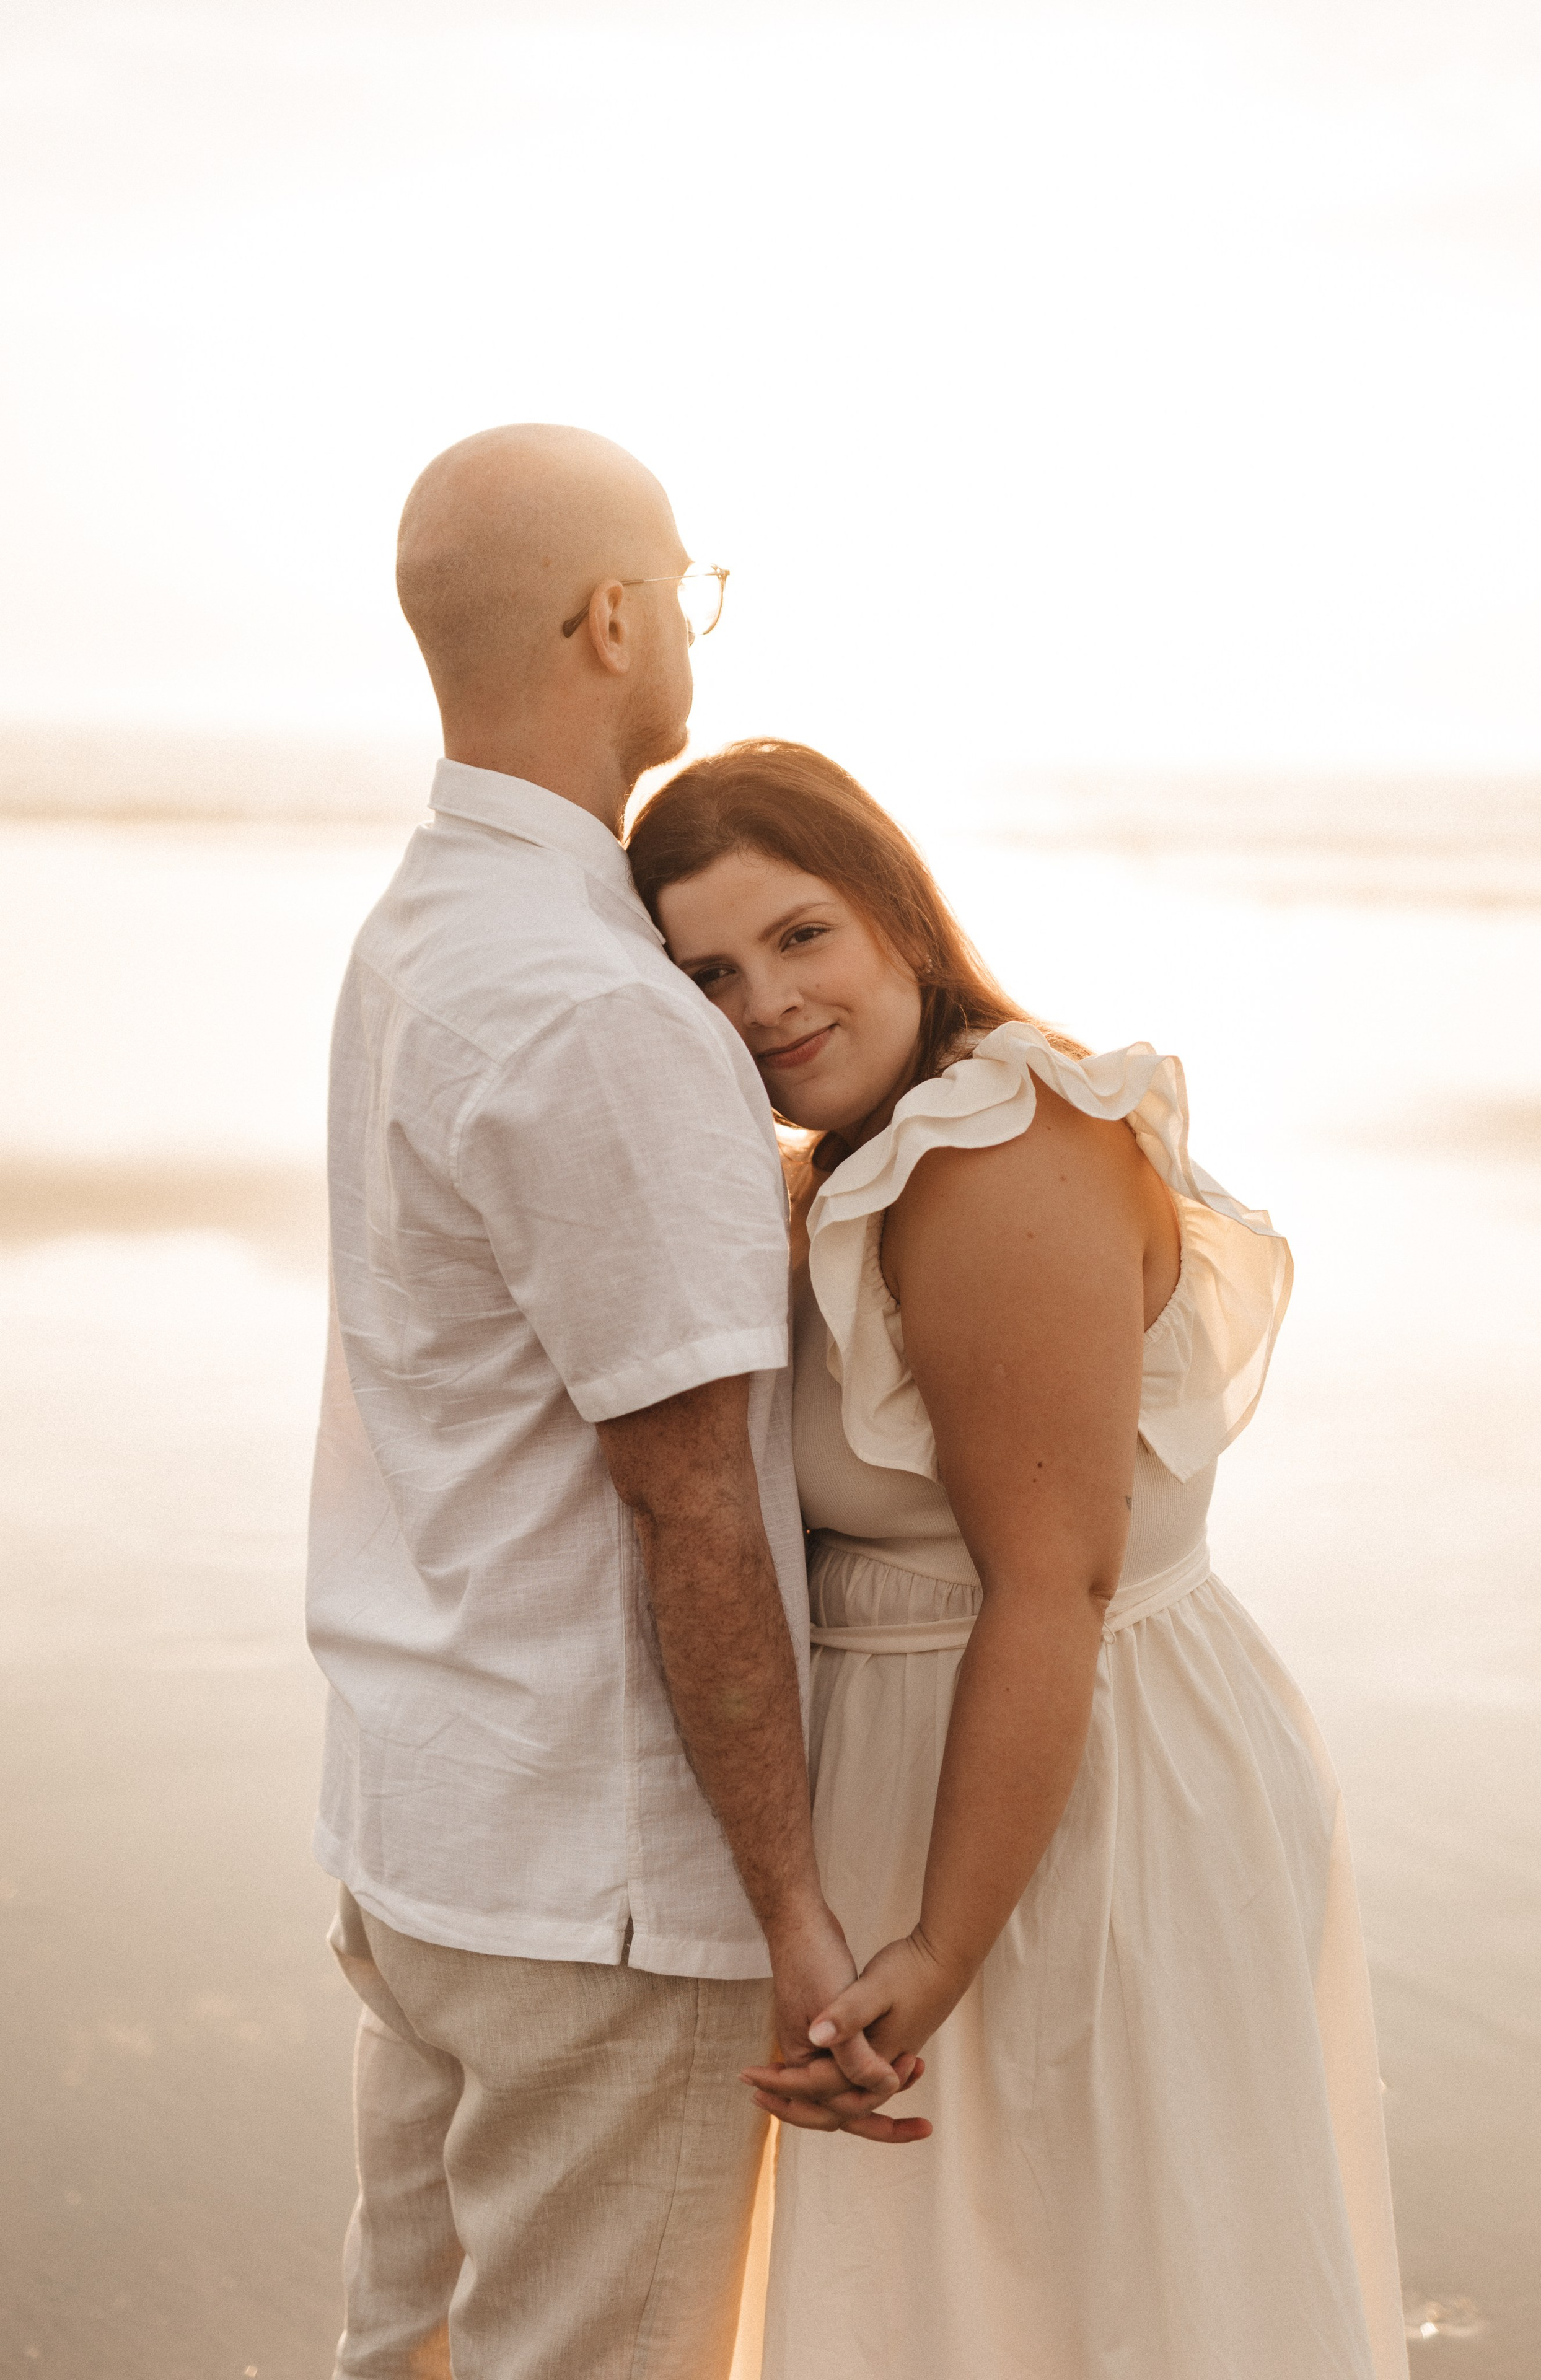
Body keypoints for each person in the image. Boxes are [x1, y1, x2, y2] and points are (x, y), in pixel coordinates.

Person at [626, 739, 1410, 2380]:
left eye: (798, 935)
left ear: (902, 913)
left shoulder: (998, 1144)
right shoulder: (854, 1159)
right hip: (951, 1785)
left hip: (1069, 1804)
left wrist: (939, 1947)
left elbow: (1052, 1586)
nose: (760, 1001)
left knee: (1100, 2293)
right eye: (705, 971)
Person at [305, 434, 896, 2380]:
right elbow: (693, 1502)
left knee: (410, 2350)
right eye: (685, 593)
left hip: (430, 1813)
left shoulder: (424, 929)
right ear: (617, 618)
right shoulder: (599, 1006)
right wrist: (795, 1907)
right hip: (601, 1885)